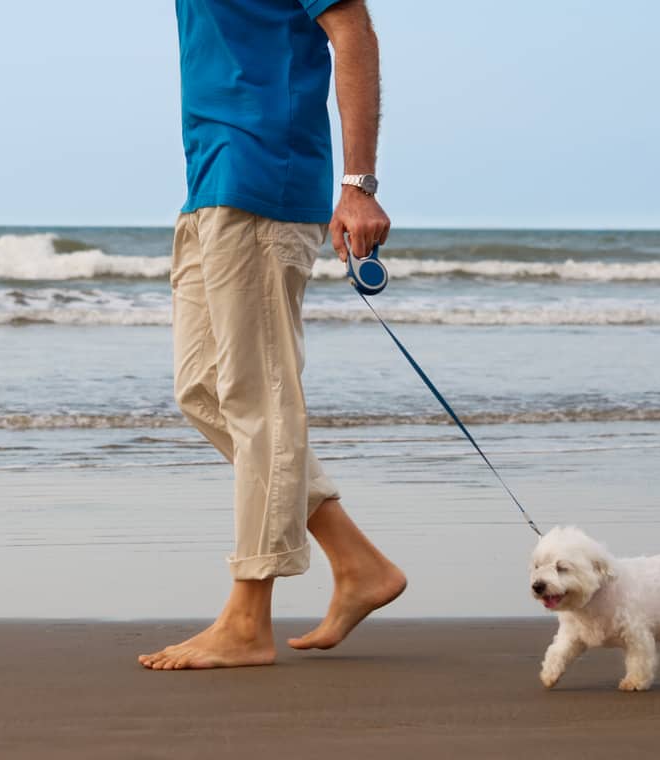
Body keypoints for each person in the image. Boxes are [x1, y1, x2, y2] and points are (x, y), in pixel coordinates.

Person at [139, 0, 405, 670]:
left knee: (259, 401)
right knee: (202, 390)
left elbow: (353, 32)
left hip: (262, 176)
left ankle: (247, 619)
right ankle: (357, 563)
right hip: (208, 181)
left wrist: (358, 185)